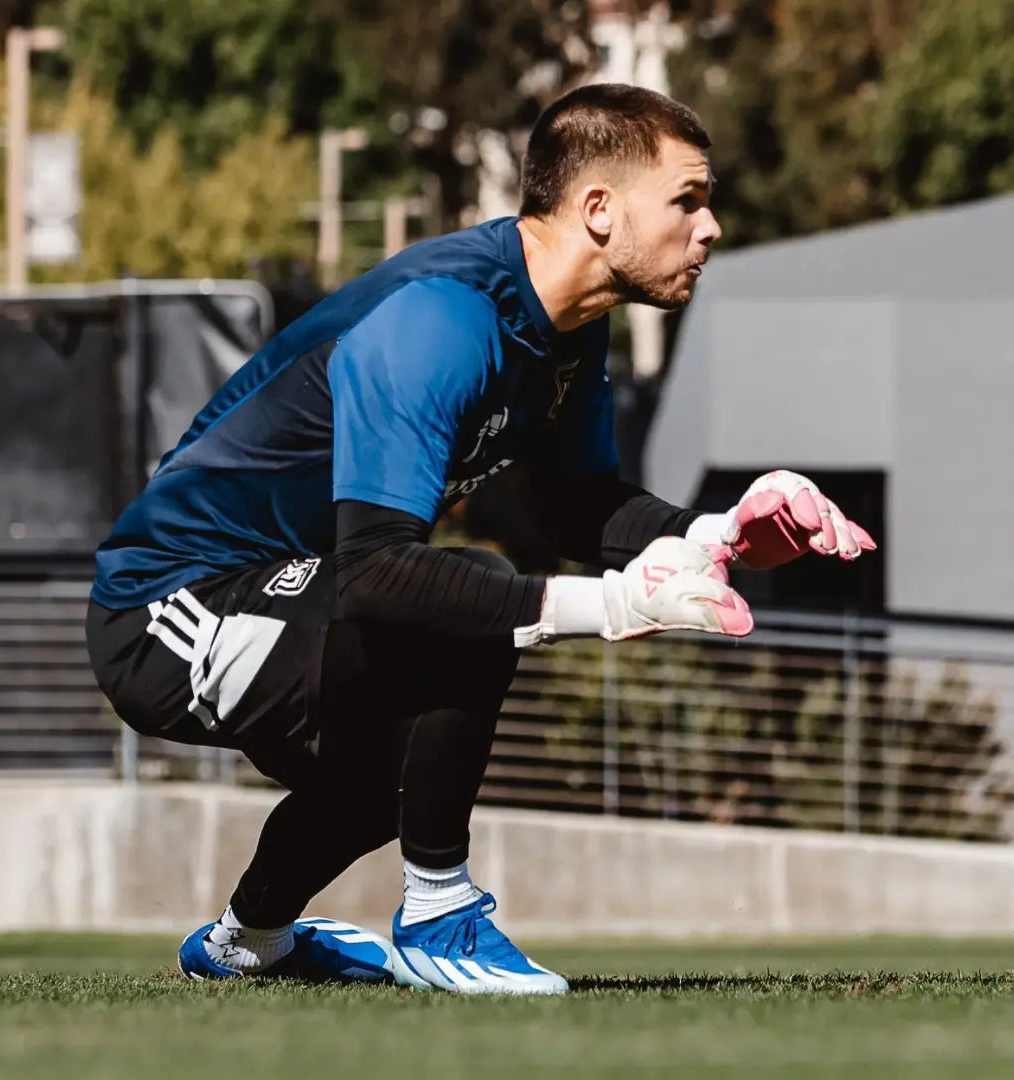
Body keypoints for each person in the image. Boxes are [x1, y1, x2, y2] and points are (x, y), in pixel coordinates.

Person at [85, 83, 874, 996]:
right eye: (688, 200)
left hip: (305, 585)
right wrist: (618, 606)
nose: (712, 228)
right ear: (598, 210)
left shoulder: (570, 331)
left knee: (396, 771)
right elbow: (382, 574)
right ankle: (439, 916)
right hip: (167, 609)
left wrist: (722, 532)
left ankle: (242, 945)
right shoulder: (442, 317)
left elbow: (578, 509)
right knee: (459, 605)